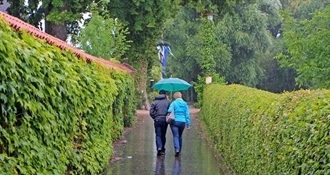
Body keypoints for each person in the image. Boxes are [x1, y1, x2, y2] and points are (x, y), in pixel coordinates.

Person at [167, 92, 190, 157]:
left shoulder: (173, 103)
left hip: (174, 121)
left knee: (175, 136)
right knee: (180, 136)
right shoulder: (185, 104)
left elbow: (169, 110)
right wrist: (188, 124)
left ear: (175, 97)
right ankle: (179, 150)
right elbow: (187, 115)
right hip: (182, 121)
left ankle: (177, 149)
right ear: (181, 96)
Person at [150, 90, 171, 156]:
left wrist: (154, 117)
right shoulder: (168, 102)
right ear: (165, 94)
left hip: (157, 120)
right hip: (164, 120)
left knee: (158, 135)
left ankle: (159, 147)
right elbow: (170, 111)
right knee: (163, 135)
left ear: (159, 94)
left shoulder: (154, 102)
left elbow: (151, 112)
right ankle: (162, 149)